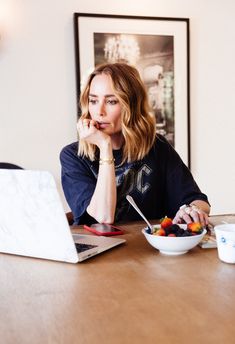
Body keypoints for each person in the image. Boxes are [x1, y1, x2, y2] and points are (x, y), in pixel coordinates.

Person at [60, 63, 210, 226]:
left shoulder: (156, 146)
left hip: (148, 246)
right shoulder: (73, 155)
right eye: (93, 100)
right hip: (98, 249)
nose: (99, 111)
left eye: (111, 101)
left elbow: (198, 201)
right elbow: (103, 218)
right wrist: (105, 146)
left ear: (131, 104)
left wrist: (192, 210)